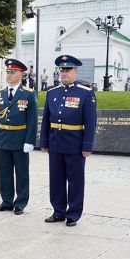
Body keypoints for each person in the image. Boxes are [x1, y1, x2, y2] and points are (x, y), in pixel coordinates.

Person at [40, 55, 97, 227]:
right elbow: (46, 119)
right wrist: (44, 142)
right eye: (62, 70)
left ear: (76, 71)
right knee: (56, 179)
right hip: (56, 143)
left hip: (75, 144)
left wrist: (87, 146)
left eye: (68, 70)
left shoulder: (85, 93)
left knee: (75, 180)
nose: (64, 73)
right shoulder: (52, 92)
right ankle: (58, 211)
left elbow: (91, 122)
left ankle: (73, 213)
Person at [0, 59, 38, 215]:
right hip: (3, 138)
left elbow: (32, 119)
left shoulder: (29, 94)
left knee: (22, 173)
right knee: (4, 172)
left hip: (20, 138)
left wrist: (30, 141)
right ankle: (7, 201)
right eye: (8, 72)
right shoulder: (0, 94)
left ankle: (20, 203)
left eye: (13, 72)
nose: (9, 75)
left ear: (21, 75)